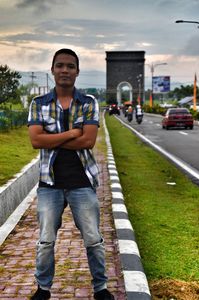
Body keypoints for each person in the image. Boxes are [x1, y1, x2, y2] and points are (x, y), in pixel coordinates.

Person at [28, 48, 114, 300]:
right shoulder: (38, 103)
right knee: (45, 241)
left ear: (77, 71)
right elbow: (35, 141)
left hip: (82, 182)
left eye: (70, 66)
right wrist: (70, 134)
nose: (65, 70)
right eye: (60, 65)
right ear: (52, 70)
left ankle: (101, 288)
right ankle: (43, 289)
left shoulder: (89, 102)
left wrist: (51, 139)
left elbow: (87, 141)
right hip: (49, 183)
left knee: (93, 239)